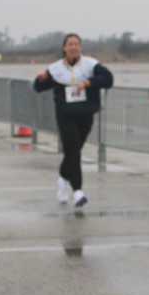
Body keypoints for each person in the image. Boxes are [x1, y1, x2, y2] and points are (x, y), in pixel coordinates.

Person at [33, 33, 113, 207]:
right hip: (65, 115)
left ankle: (62, 179)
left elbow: (108, 80)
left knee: (73, 151)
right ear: (64, 48)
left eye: (76, 44)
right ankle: (78, 191)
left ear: (80, 47)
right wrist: (40, 79)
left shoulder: (91, 65)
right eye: (70, 44)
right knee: (73, 150)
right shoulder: (55, 68)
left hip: (85, 113)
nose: (73, 47)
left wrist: (89, 83)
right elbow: (38, 87)